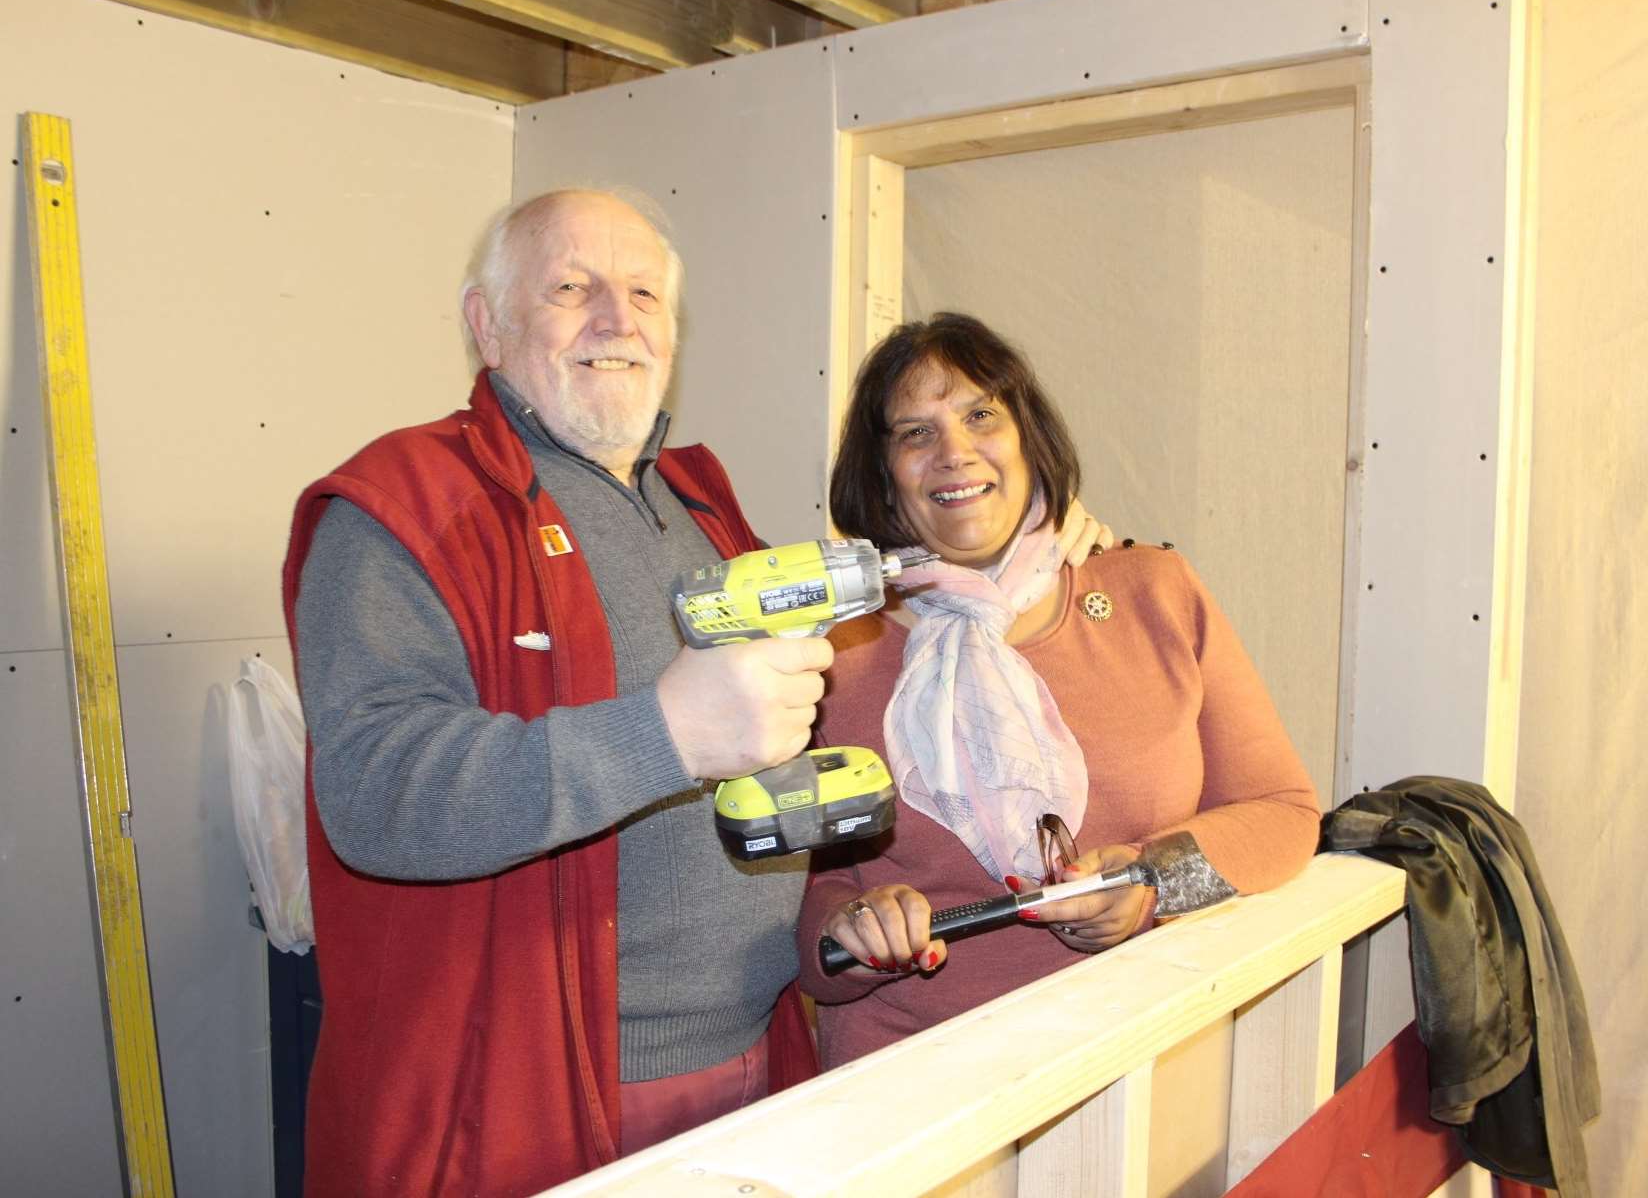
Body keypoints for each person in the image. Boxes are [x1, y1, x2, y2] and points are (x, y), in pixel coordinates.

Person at [281, 190, 838, 1196]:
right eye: (571, 288)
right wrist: (663, 733)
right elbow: (374, 793)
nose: (616, 320)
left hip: (756, 1059)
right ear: (485, 323)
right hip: (526, 1098)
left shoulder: (706, 505)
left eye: (641, 294)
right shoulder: (401, 506)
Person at [796, 312, 1321, 1068]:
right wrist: (852, 930)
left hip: (1147, 1063)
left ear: (1027, 438)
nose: (954, 452)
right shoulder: (833, 653)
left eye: (981, 415)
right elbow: (808, 922)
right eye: (914, 433)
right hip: (914, 1086)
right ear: (881, 475)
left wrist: (1152, 881)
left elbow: (1284, 815)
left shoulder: (1153, 591)